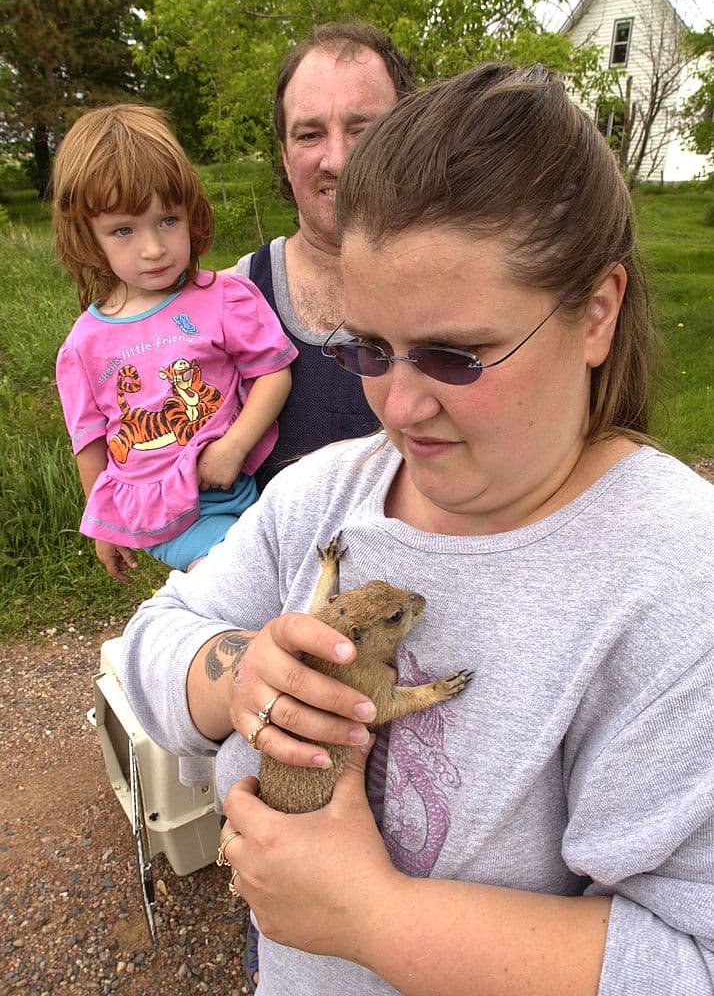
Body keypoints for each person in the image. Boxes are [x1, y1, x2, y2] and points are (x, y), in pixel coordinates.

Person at [122, 63, 714, 996]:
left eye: (455, 354)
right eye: (367, 347)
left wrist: (375, 921)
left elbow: (690, 959)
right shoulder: (327, 497)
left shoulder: (674, 580)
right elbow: (152, 641)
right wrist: (239, 676)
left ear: (595, 313)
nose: (399, 406)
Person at [53, 104, 297, 578]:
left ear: (191, 213)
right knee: (237, 577)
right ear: (89, 238)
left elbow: (272, 372)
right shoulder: (84, 344)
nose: (153, 248)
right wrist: (101, 525)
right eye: (123, 230)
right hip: (163, 518)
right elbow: (89, 440)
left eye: (168, 220)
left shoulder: (223, 298)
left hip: (236, 487)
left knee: (282, 576)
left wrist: (235, 446)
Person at [233, 22, 414, 489]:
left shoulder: (471, 293)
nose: (338, 159)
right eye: (310, 135)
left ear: (409, 137)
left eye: (363, 129)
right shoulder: (231, 302)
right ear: (285, 154)